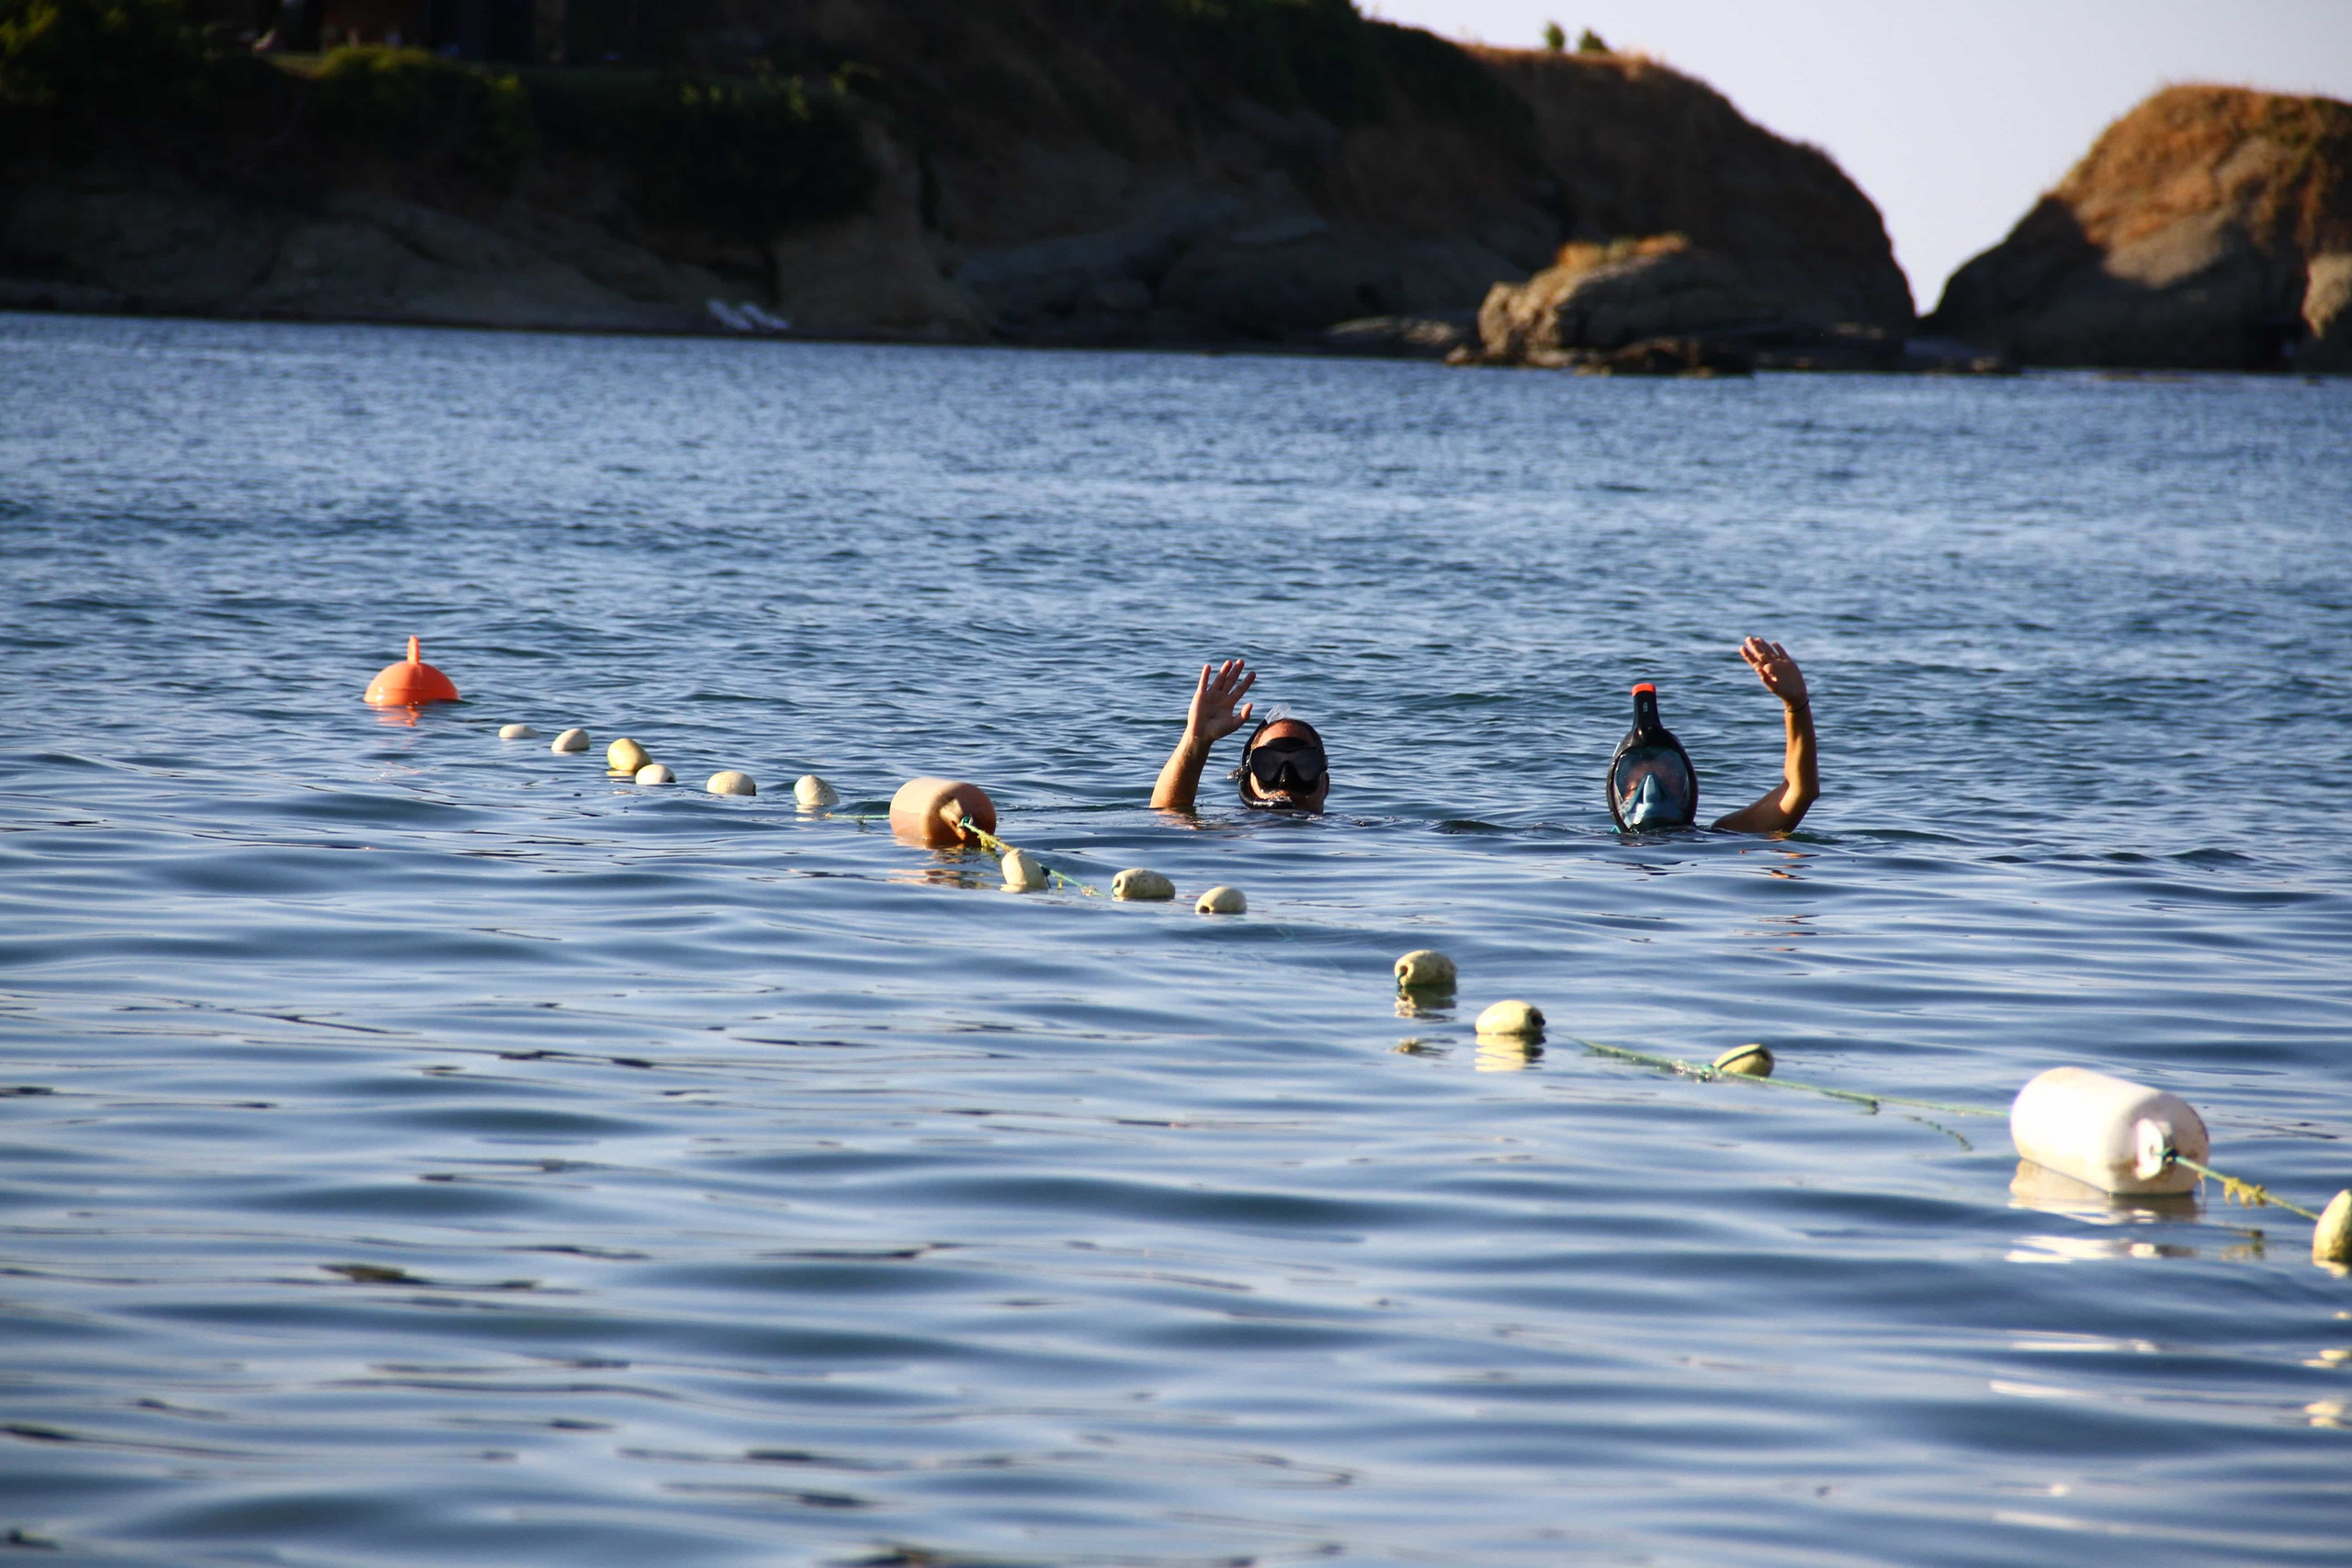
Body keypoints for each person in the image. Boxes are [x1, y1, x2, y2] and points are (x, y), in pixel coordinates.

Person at [1149, 659, 1330, 814]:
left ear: (1326, 785)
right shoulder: (1233, 831)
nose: (1285, 780)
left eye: (1305, 765)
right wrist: (1196, 740)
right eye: (1268, 765)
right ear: (1247, 779)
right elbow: (1167, 818)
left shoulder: (1349, 829)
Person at [1704, 637, 1818, 834]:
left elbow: (1800, 790)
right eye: (1637, 782)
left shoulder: (1720, 834)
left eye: (1669, 776)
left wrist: (1796, 705)